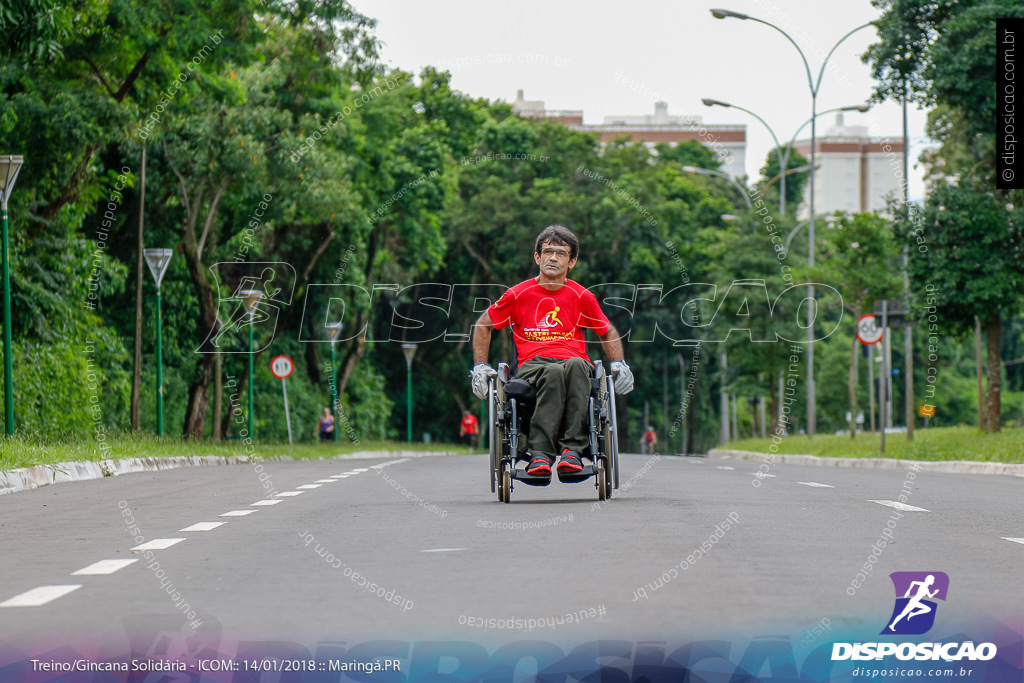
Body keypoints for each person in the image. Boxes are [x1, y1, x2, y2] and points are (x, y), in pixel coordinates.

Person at [470, 225, 634, 482]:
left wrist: (620, 364)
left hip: (574, 361)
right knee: (555, 372)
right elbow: (483, 325)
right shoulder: (518, 294)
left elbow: (607, 330)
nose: (553, 258)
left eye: (561, 253)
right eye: (547, 251)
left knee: (578, 366)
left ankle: (572, 451)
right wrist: (480, 366)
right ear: (537, 257)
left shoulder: (582, 296)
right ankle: (541, 455)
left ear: (572, 261)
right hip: (533, 365)